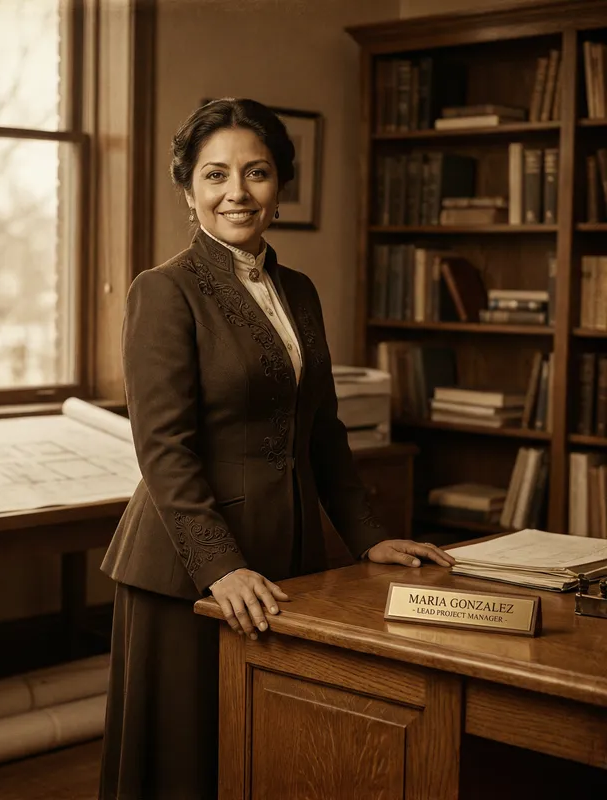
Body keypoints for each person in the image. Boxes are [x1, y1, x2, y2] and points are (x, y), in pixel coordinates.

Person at [98, 97, 454, 800]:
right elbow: (163, 450)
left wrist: (367, 536)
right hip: (188, 568)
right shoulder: (162, 292)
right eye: (215, 175)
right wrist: (220, 570)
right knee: (187, 763)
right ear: (189, 191)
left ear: (280, 187)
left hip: (288, 553)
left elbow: (322, 428)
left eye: (256, 172)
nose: (237, 192)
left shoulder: (299, 290)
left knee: (267, 746)